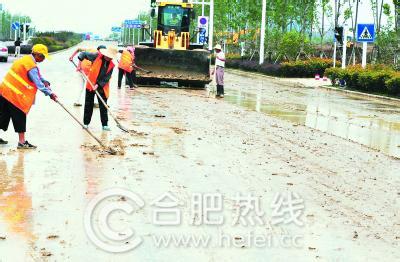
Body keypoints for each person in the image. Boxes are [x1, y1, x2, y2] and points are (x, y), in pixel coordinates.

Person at [0, 44, 58, 149]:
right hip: (15, 95)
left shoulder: (26, 60)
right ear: (36, 55)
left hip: (5, 91)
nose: (44, 59)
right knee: (20, 116)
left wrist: (45, 81)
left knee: (3, 115)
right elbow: (38, 83)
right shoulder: (31, 66)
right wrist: (50, 94)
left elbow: (38, 77)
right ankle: (22, 142)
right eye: (43, 57)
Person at [77, 46, 117, 131]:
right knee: (88, 104)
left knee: (103, 105)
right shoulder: (96, 56)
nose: (108, 58)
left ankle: (105, 125)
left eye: (110, 57)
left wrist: (98, 85)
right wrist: (79, 64)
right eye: (107, 56)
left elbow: (107, 77)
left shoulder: (112, 65)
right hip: (90, 84)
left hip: (102, 86)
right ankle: (86, 123)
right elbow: (83, 54)